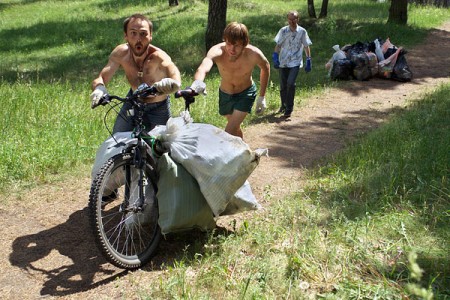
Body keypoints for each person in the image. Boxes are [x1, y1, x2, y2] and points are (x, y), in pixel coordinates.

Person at [90, 13, 182, 133]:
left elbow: (173, 71)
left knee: (164, 147)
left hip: (159, 107)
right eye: (133, 33)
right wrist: (99, 88)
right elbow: (101, 77)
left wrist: (172, 83)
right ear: (126, 36)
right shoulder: (121, 54)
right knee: (117, 141)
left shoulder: (158, 57)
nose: (138, 39)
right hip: (133, 102)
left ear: (150, 36)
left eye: (143, 34)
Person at [192, 22, 270, 139]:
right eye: (229, 44)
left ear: (245, 43)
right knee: (235, 129)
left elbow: (266, 67)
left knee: (228, 132)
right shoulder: (217, 51)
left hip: (246, 94)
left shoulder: (253, 54)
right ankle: (244, 151)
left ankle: (222, 154)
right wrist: (198, 82)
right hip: (225, 94)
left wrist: (261, 97)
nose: (232, 49)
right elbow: (203, 67)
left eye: (237, 45)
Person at [272, 10, 312, 119]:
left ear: (298, 19)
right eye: (290, 19)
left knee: (290, 83)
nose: (292, 21)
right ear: (287, 19)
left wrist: (308, 59)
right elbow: (278, 45)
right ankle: (283, 105)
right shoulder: (283, 31)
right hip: (283, 61)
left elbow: (306, 46)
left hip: (295, 61)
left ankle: (289, 108)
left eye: (294, 19)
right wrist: (275, 56)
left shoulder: (302, 32)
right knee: (283, 85)